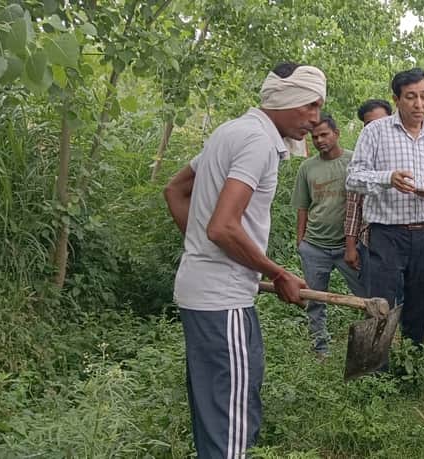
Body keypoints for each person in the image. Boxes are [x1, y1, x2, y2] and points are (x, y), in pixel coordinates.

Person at [163, 62, 325, 457]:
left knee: (225, 408)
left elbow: (175, 191)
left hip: (209, 292)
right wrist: (278, 272)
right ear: (287, 100)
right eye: (311, 107)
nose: (315, 119)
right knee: (231, 424)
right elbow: (222, 227)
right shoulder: (257, 143)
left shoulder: (231, 131)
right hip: (223, 300)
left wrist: (203, 249)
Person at [346, 67, 424, 346]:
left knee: (419, 304)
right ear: (396, 99)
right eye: (411, 97)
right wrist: (388, 179)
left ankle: (412, 366)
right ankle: (375, 372)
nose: (419, 104)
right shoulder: (375, 132)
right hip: (386, 234)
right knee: (379, 303)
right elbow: (353, 178)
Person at [291, 113, 368, 360]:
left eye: (324, 134)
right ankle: (320, 350)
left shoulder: (354, 162)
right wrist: (301, 241)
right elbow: (302, 206)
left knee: (367, 297)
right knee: (315, 300)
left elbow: (363, 204)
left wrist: (356, 242)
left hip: (349, 246)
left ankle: (369, 348)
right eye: (315, 137)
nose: (320, 140)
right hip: (314, 246)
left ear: (337, 134)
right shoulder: (308, 167)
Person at [345, 99, 393, 293]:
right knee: (374, 297)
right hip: (370, 239)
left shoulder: (406, 151)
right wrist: (350, 246)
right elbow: (354, 204)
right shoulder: (363, 157)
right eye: (369, 124)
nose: (376, 128)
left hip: (406, 239)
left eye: (381, 121)